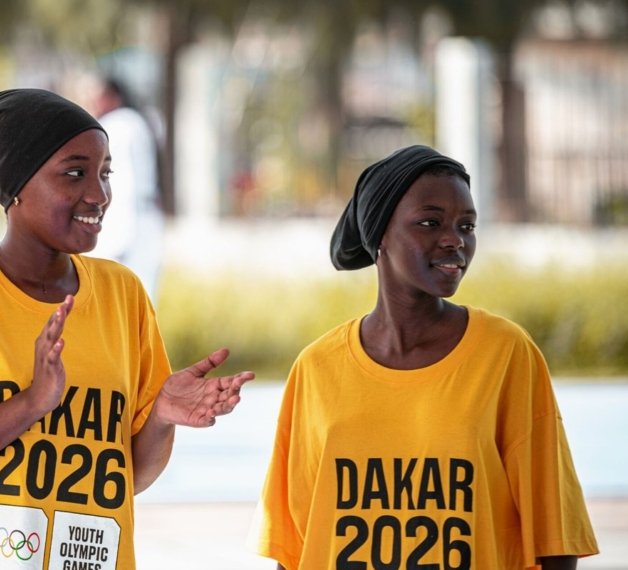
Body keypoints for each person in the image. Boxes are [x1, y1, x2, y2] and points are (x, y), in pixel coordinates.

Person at [0, 88, 254, 569]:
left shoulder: (124, 295)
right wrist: (30, 404)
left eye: (105, 173)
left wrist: (160, 416)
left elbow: (129, 476)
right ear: (14, 183)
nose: (98, 193)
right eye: (75, 173)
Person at [254, 145, 599, 568]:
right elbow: (295, 546)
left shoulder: (506, 354)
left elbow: (554, 536)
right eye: (430, 222)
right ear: (379, 233)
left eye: (466, 225)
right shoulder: (317, 368)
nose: (455, 239)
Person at [84, 76, 165, 302]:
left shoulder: (117, 126)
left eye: (97, 95)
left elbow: (123, 180)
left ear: (112, 97)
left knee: (124, 299)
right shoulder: (136, 122)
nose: (92, 101)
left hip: (128, 219)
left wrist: (118, 235)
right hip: (143, 217)